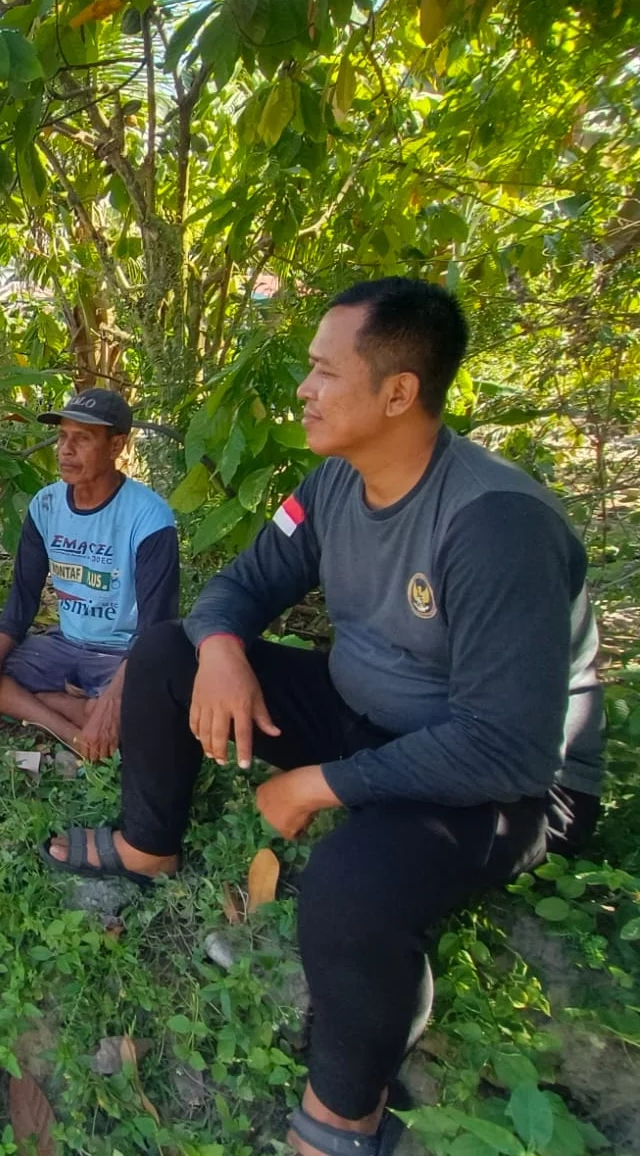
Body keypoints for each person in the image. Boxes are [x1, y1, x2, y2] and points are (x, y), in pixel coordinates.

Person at [42, 279, 603, 1155]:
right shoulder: (335, 482)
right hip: (362, 708)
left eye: (320, 371)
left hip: (506, 776)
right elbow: (243, 583)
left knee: (347, 881)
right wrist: (222, 645)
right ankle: (146, 843)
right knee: (167, 651)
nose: (302, 389)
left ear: (397, 392)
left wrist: (319, 784)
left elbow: (510, 749)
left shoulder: (495, 524)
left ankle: (347, 1111)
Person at [0, 388, 179, 762]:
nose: (65, 450)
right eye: (62, 437)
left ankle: (46, 707)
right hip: (63, 645)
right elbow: (23, 596)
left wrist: (113, 700)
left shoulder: (148, 516)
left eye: (82, 439)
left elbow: (156, 626)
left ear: (117, 446)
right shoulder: (47, 505)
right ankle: (72, 732)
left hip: (120, 655)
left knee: (147, 713)